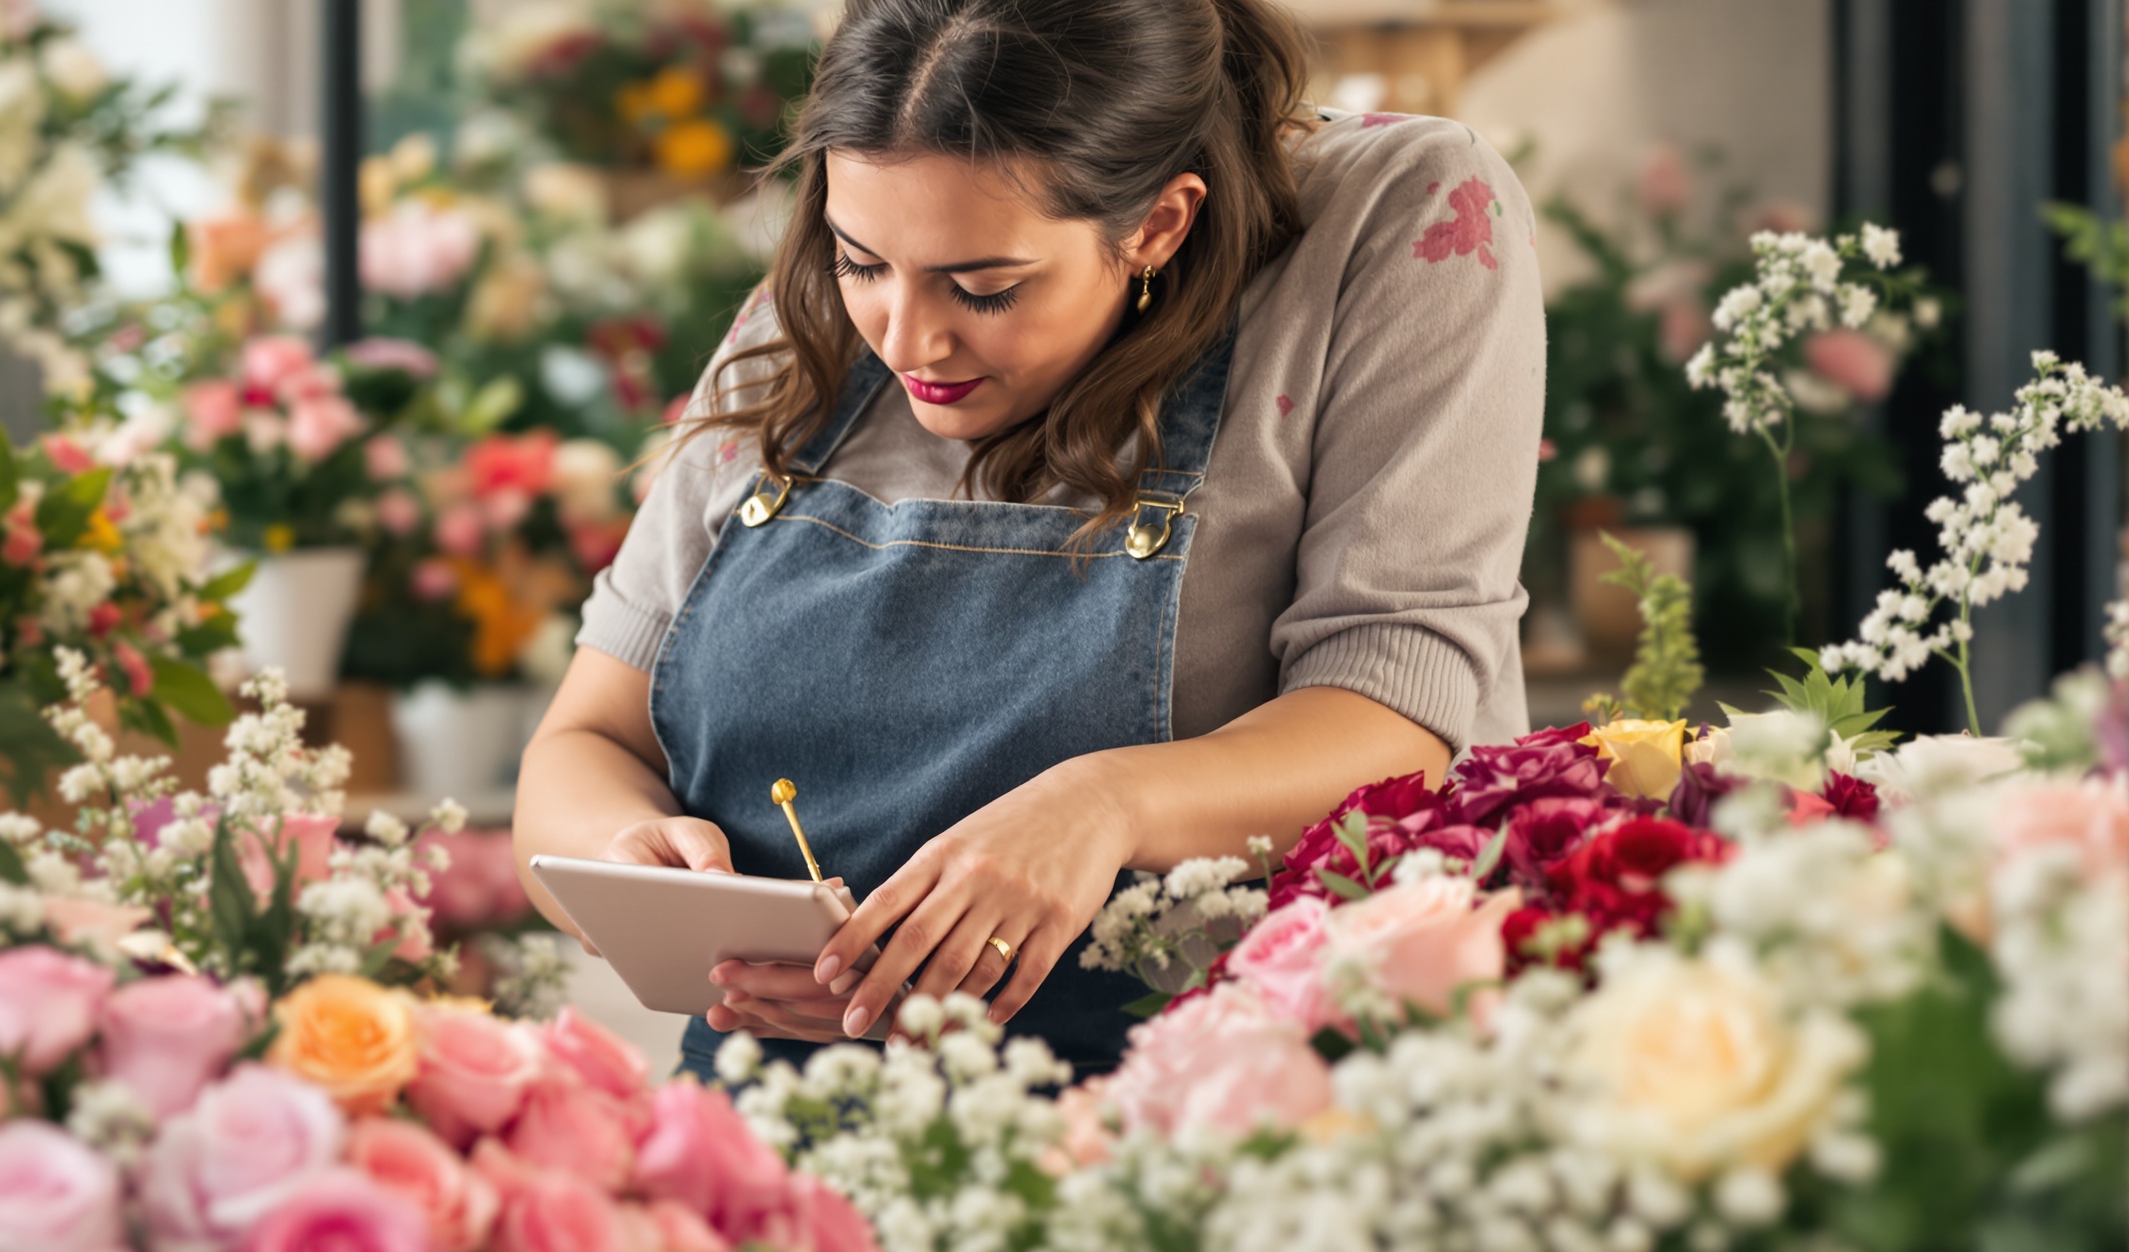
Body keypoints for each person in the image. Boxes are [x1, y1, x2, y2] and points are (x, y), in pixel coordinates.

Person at [510, 0, 1544, 1080]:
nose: (908, 339)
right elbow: (581, 747)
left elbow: (1399, 719)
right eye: (858, 260)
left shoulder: (1395, 210)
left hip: (1210, 1134)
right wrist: (626, 865)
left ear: (1156, 224)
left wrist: (1103, 808)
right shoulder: (847, 294)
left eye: (984, 288)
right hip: (772, 1159)